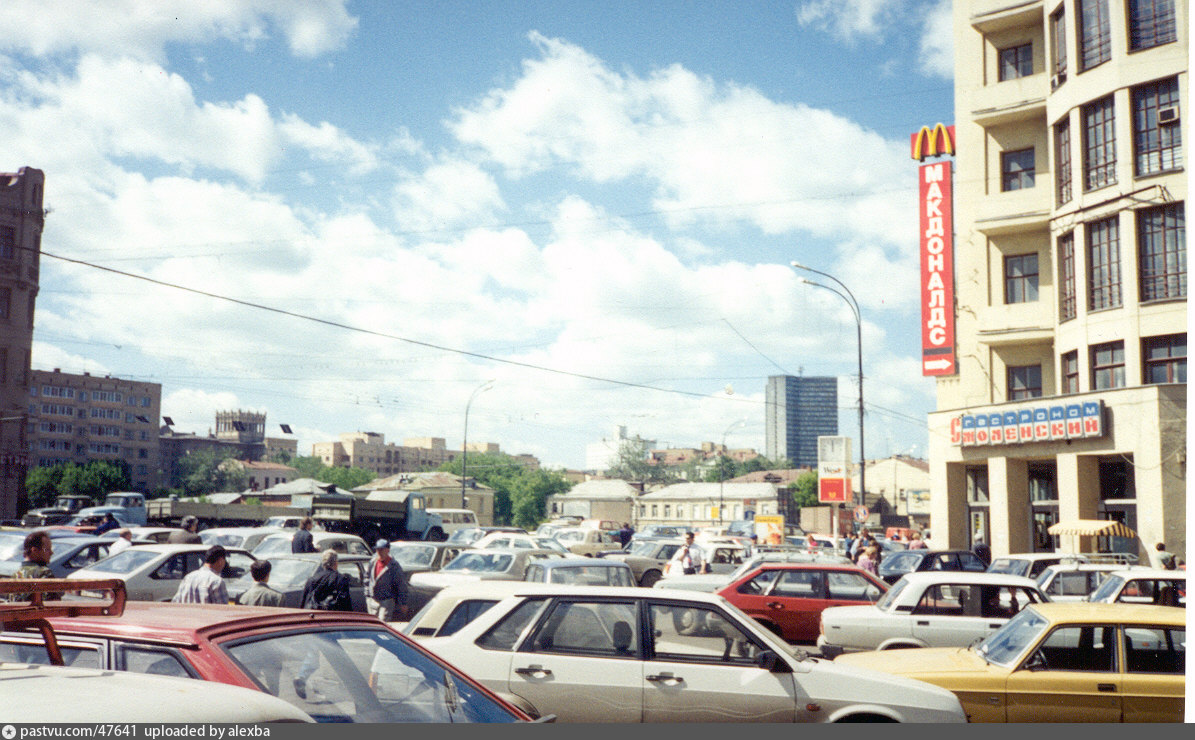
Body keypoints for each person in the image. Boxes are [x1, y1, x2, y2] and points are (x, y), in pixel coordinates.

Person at [294, 550, 353, 700]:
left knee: (314, 655)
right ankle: (350, 691)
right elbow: (346, 604)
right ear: (335, 563)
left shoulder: (312, 579)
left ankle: (302, 678)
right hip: (331, 624)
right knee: (339, 658)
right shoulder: (340, 579)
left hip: (313, 622)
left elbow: (302, 603)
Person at [10, 530, 59, 602]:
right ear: (34, 550)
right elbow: (53, 603)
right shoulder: (44, 573)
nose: (51, 553)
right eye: (47, 549)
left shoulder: (16, 574)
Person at [366, 539, 407, 621]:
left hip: (386, 601)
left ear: (388, 550)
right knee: (372, 624)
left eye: (381, 549)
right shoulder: (373, 562)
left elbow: (401, 584)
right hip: (373, 600)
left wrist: (403, 603)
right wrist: (367, 595)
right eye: (377, 549)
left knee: (383, 623)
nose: (379, 552)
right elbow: (366, 578)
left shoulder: (394, 565)